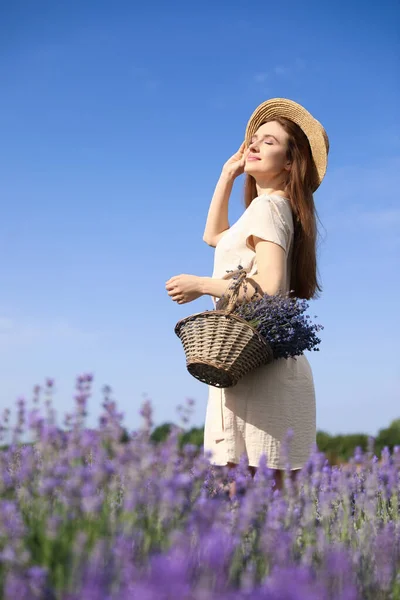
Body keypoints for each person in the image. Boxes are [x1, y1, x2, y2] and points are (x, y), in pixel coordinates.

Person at [165, 98, 329, 496]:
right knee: (246, 504)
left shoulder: (271, 207)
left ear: (291, 162)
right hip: (247, 364)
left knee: (261, 504)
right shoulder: (262, 208)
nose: (253, 145)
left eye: (268, 142)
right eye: (252, 140)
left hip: (265, 371)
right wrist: (228, 174)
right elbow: (213, 237)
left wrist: (202, 285)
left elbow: (270, 289)